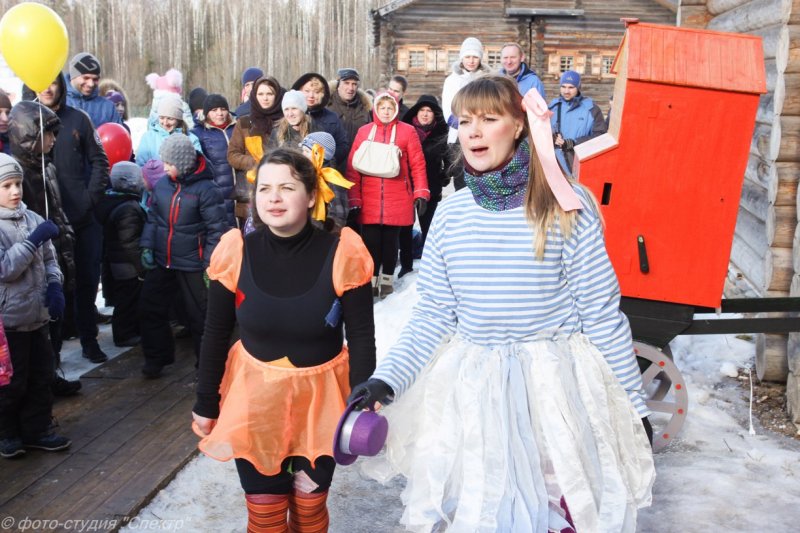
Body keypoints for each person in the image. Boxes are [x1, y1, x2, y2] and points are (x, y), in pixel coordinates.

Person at [349, 76, 655, 532]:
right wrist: (385, 380)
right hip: (477, 393)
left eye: (489, 119)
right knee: (489, 512)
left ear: (518, 126)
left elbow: (600, 313)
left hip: (554, 394)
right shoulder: (452, 215)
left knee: (558, 510)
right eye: (465, 120)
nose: (473, 131)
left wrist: (633, 405)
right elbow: (433, 316)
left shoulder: (566, 205)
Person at [192, 147, 376, 532]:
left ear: (311, 196)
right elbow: (215, 332)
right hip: (255, 405)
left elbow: (361, 336)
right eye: (264, 189)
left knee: (309, 510)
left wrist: (362, 401)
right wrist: (206, 401)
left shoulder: (343, 251)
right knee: (265, 514)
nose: (273, 198)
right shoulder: (236, 250)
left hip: (321, 406)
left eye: (287, 188)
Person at [22, 74, 110, 375]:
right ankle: (54, 353)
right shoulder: (25, 123)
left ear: (61, 85)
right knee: (54, 286)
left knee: (87, 280)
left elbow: (100, 161)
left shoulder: (78, 119)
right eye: (40, 82)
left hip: (82, 217)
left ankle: (89, 339)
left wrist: (89, 199)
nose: (47, 88)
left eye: (52, 82)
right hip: (46, 222)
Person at [138, 134, 228, 378]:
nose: (164, 167)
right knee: (150, 307)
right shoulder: (162, 185)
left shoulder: (207, 190)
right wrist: (147, 245)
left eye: (169, 163)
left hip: (193, 263)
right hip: (163, 259)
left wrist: (210, 264)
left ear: (183, 162)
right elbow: (153, 218)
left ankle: (207, 366)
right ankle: (156, 358)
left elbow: (217, 230)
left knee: (200, 316)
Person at [8, 101, 81, 401]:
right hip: (29, 261)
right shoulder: (18, 175)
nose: (53, 140)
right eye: (47, 134)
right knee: (37, 332)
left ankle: (51, 373)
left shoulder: (46, 167)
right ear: (30, 136)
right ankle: (38, 385)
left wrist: (66, 234)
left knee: (56, 320)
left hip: (55, 251)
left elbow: (56, 208)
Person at [0, 152, 70, 459]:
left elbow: (51, 259)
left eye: (17, 184)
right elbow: (6, 269)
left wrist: (54, 285)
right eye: (6, 186)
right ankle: (7, 432)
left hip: (38, 315)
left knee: (42, 376)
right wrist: (31, 242)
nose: (15, 191)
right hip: (9, 321)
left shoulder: (33, 219)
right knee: (12, 382)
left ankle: (37, 429)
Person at [346, 93, 429, 298]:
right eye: (382, 107)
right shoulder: (364, 132)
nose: (385, 112)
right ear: (375, 109)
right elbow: (352, 168)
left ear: (396, 110)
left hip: (397, 197)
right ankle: (372, 280)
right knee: (371, 242)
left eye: (390, 108)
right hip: (369, 198)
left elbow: (418, 164)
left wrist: (420, 192)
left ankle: (386, 281)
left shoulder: (407, 131)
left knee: (391, 243)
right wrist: (354, 198)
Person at [95, 162, 147, 348]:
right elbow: (130, 242)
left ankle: (130, 331)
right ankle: (124, 335)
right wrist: (141, 266)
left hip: (117, 263)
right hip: (127, 265)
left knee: (126, 299)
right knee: (128, 301)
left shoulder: (113, 202)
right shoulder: (128, 208)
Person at [399, 94, 451, 272]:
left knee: (429, 227)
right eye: (422, 110)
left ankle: (431, 265)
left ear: (435, 114)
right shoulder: (406, 129)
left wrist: (445, 175)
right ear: (416, 112)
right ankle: (406, 265)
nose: (425, 114)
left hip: (431, 186)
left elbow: (449, 157)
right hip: (406, 185)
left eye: (429, 111)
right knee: (405, 228)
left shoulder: (441, 132)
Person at [227, 76, 285, 213]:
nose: (265, 98)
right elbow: (232, 155)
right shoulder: (244, 123)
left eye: (270, 94)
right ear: (254, 96)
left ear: (277, 96)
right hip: (250, 191)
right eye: (261, 94)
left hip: (281, 192)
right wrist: (256, 162)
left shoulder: (285, 122)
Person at [191, 94, 237, 227]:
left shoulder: (237, 127)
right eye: (214, 110)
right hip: (217, 191)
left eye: (223, 109)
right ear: (206, 113)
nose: (220, 113)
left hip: (240, 190)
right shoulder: (198, 133)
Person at [549, 70, 607, 176]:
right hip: (554, 166)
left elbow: (600, 137)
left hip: (579, 165)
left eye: (571, 87)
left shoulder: (592, 109)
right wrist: (552, 138)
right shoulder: (552, 107)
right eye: (563, 86)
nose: (566, 91)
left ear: (578, 87)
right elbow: (542, 132)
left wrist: (574, 143)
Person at [291, 73, 350, 172]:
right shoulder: (290, 115)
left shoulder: (332, 118)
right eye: (307, 91)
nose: (311, 95)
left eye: (316, 92)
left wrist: (326, 160)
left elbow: (343, 145)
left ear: (322, 94)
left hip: (323, 171)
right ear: (299, 92)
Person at [442, 37, 491, 144]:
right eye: (467, 57)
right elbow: (448, 112)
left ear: (480, 58)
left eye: (475, 57)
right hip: (458, 135)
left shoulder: (488, 79)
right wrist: (467, 127)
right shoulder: (452, 80)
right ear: (462, 58)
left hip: (484, 134)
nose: (471, 61)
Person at [136, 95, 201, 166]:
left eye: (170, 119)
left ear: (178, 119)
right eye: (162, 118)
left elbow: (197, 166)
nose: (165, 123)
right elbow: (140, 165)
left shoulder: (191, 139)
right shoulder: (148, 138)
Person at [65, 53, 122, 127]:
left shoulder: (108, 108)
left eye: (95, 79)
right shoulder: (58, 103)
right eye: (86, 78)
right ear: (73, 76)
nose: (91, 84)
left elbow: (118, 132)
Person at [327, 68, 372, 146]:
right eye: (346, 83)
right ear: (338, 85)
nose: (350, 88)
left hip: (358, 153)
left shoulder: (365, 109)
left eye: (354, 84)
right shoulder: (326, 106)